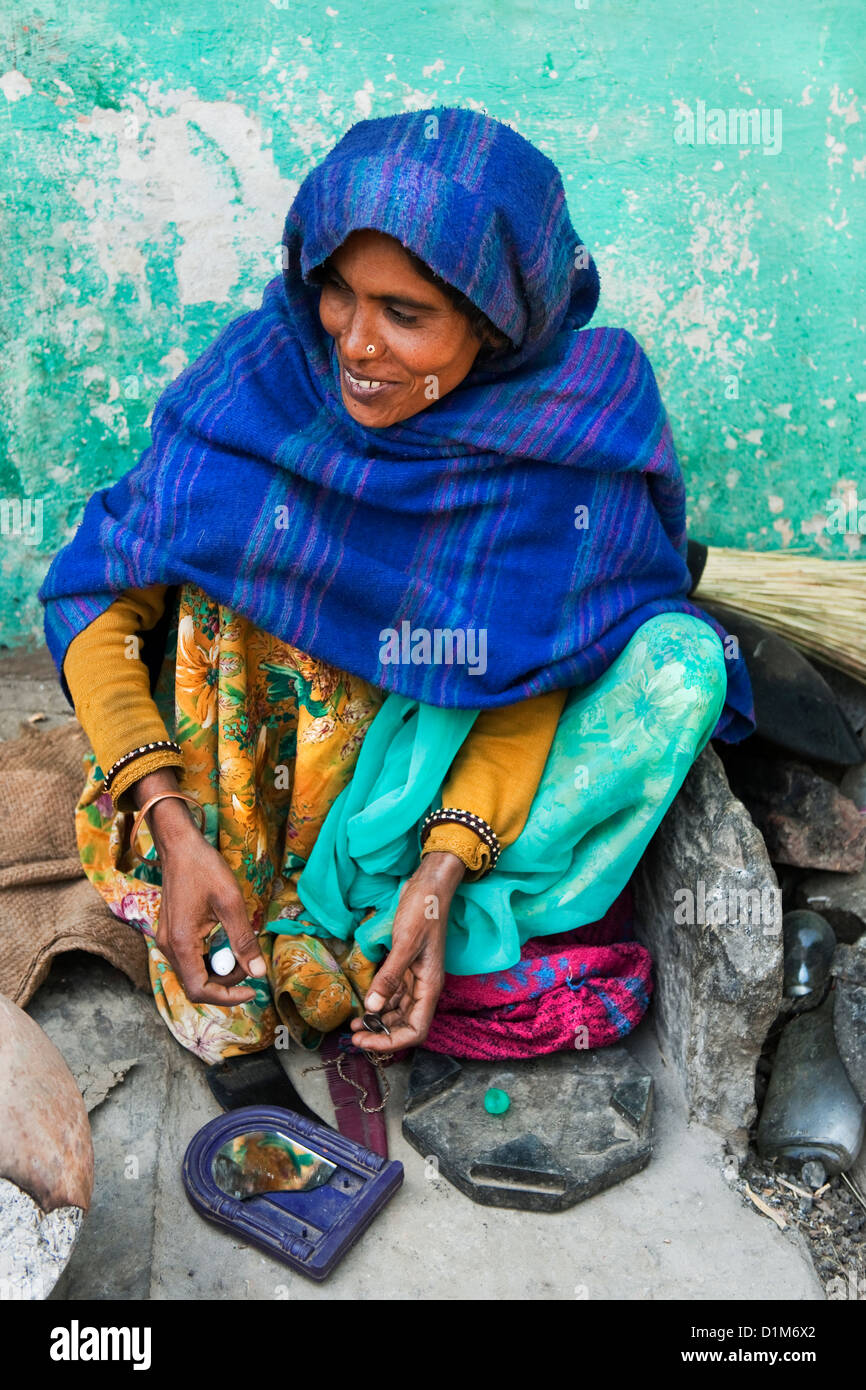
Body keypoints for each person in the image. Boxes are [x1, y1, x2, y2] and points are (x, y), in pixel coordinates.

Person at [39, 107, 753, 1068]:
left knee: (678, 663)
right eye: (339, 292)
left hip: (434, 783)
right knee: (224, 595)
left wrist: (444, 866)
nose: (356, 346)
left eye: (405, 315)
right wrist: (169, 822)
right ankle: (260, 901)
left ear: (496, 326)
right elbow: (107, 593)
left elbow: (538, 667)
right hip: (262, 793)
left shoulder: (574, 431)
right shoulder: (264, 381)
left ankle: (421, 921)